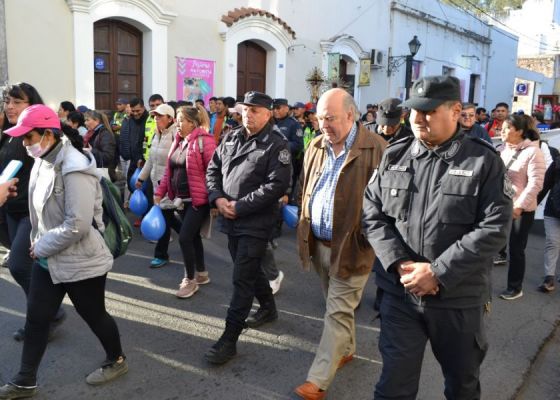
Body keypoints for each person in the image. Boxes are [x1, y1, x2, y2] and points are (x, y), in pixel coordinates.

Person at [362, 75, 513, 399]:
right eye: (414, 110)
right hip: (401, 296)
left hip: (457, 299)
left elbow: (495, 227)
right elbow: (372, 212)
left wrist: (437, 273)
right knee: (392, 387)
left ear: (456, 110)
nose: (418, 118)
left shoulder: (483, 161)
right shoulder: (395, 155)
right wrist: (400, 263)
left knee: (462, 387)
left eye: (429, 111)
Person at [0, 105, 127, 399]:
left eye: (28, 137)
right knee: (36, 318)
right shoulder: (44, 159)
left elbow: (78, 224)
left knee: (94, 315)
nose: (25, 143)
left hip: (81, 260)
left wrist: (39, 245)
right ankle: (24, 380)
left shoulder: (74, 166)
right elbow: (41, 212)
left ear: (48, 134)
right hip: (49, 259)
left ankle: (117, 359)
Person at [293, 88, 386, 400]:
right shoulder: (316, 145)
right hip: (318, 242)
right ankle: (346, 349)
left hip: (353, 246)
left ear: (351, 114)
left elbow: (388, 205)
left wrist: (370, 237)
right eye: (320, 119)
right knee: (336, 304)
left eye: (330, 118)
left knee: (335, 310)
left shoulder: (377, 149)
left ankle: (317, 380)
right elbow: (306, 185)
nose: (323, 125)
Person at [204, 91, 291, 365]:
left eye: (255, 110)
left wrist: (239, 206)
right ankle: (268, 307)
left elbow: (276, 186)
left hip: (255, 221)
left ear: (268, 114)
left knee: (241, 278)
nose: (248, 114)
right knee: (249, 270)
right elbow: (213, 169)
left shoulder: (277, 145)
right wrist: (217, 197)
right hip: (230, 218)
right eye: (245, 109)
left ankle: (229, 339)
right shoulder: (231, 137)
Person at [0, 82, 66, 342]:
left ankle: (46, 316)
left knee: (18, 266)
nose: (10, 106)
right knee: (30, 268)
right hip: (12, 208)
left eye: (17, 102)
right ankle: (47, 313)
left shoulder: (37, 133)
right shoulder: (8, 133)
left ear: (32, 105)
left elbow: (57, 164)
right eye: (7, 101)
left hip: (32, 211)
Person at [155, 104, 216, 298]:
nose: (178, 124)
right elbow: (169, 170)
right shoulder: (178, 140)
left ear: (193, 123)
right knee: (192, 236)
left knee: (184, 237)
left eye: (181, 120)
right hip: (181, 200)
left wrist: (215, 200)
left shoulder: (205, 142)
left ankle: (190, 280)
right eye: (177, 120)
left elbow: (214, 173)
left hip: (199, 200)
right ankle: (202, 274)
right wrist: (160, 192)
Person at [499, 114, 545, 300]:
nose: (501, 131)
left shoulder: (533, 152)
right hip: (501, 206)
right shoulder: (504, 149)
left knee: (516, 249)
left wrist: (518, 207)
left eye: (506, 128)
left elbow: (536, 184)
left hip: (521, 211)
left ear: (519, 131)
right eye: (501, 127)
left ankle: (515, 288)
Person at [135, 104, 177, 268]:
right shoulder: (156, 134)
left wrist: (168, 183)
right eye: (155, 116)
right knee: (168, 218)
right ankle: (191, 240)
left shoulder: (175, 135)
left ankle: (161, 254)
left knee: (165, 218)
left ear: (170, 119)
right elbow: (151, 160)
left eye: (160, 116)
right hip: (155, 184)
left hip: (169, 186)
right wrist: (141, 178)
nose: (156, 119)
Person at [273, 98, 304, 201]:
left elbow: (298, 145)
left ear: (286, 109)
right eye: (274, 108)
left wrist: (281, 145)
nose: (275, 111)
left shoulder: (293, 124)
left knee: (283, 197)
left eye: (278, 108)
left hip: (286, 165)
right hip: (270, 163)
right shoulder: (270, 122)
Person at [83, 110, 117, 182]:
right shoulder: (91, 133)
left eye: (87, 120)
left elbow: (107, 156)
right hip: (95, 172)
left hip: (103, 173)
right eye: (85, 120)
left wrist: (91, 151)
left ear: (97, 120)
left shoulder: (105, 134)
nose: (85, 123)